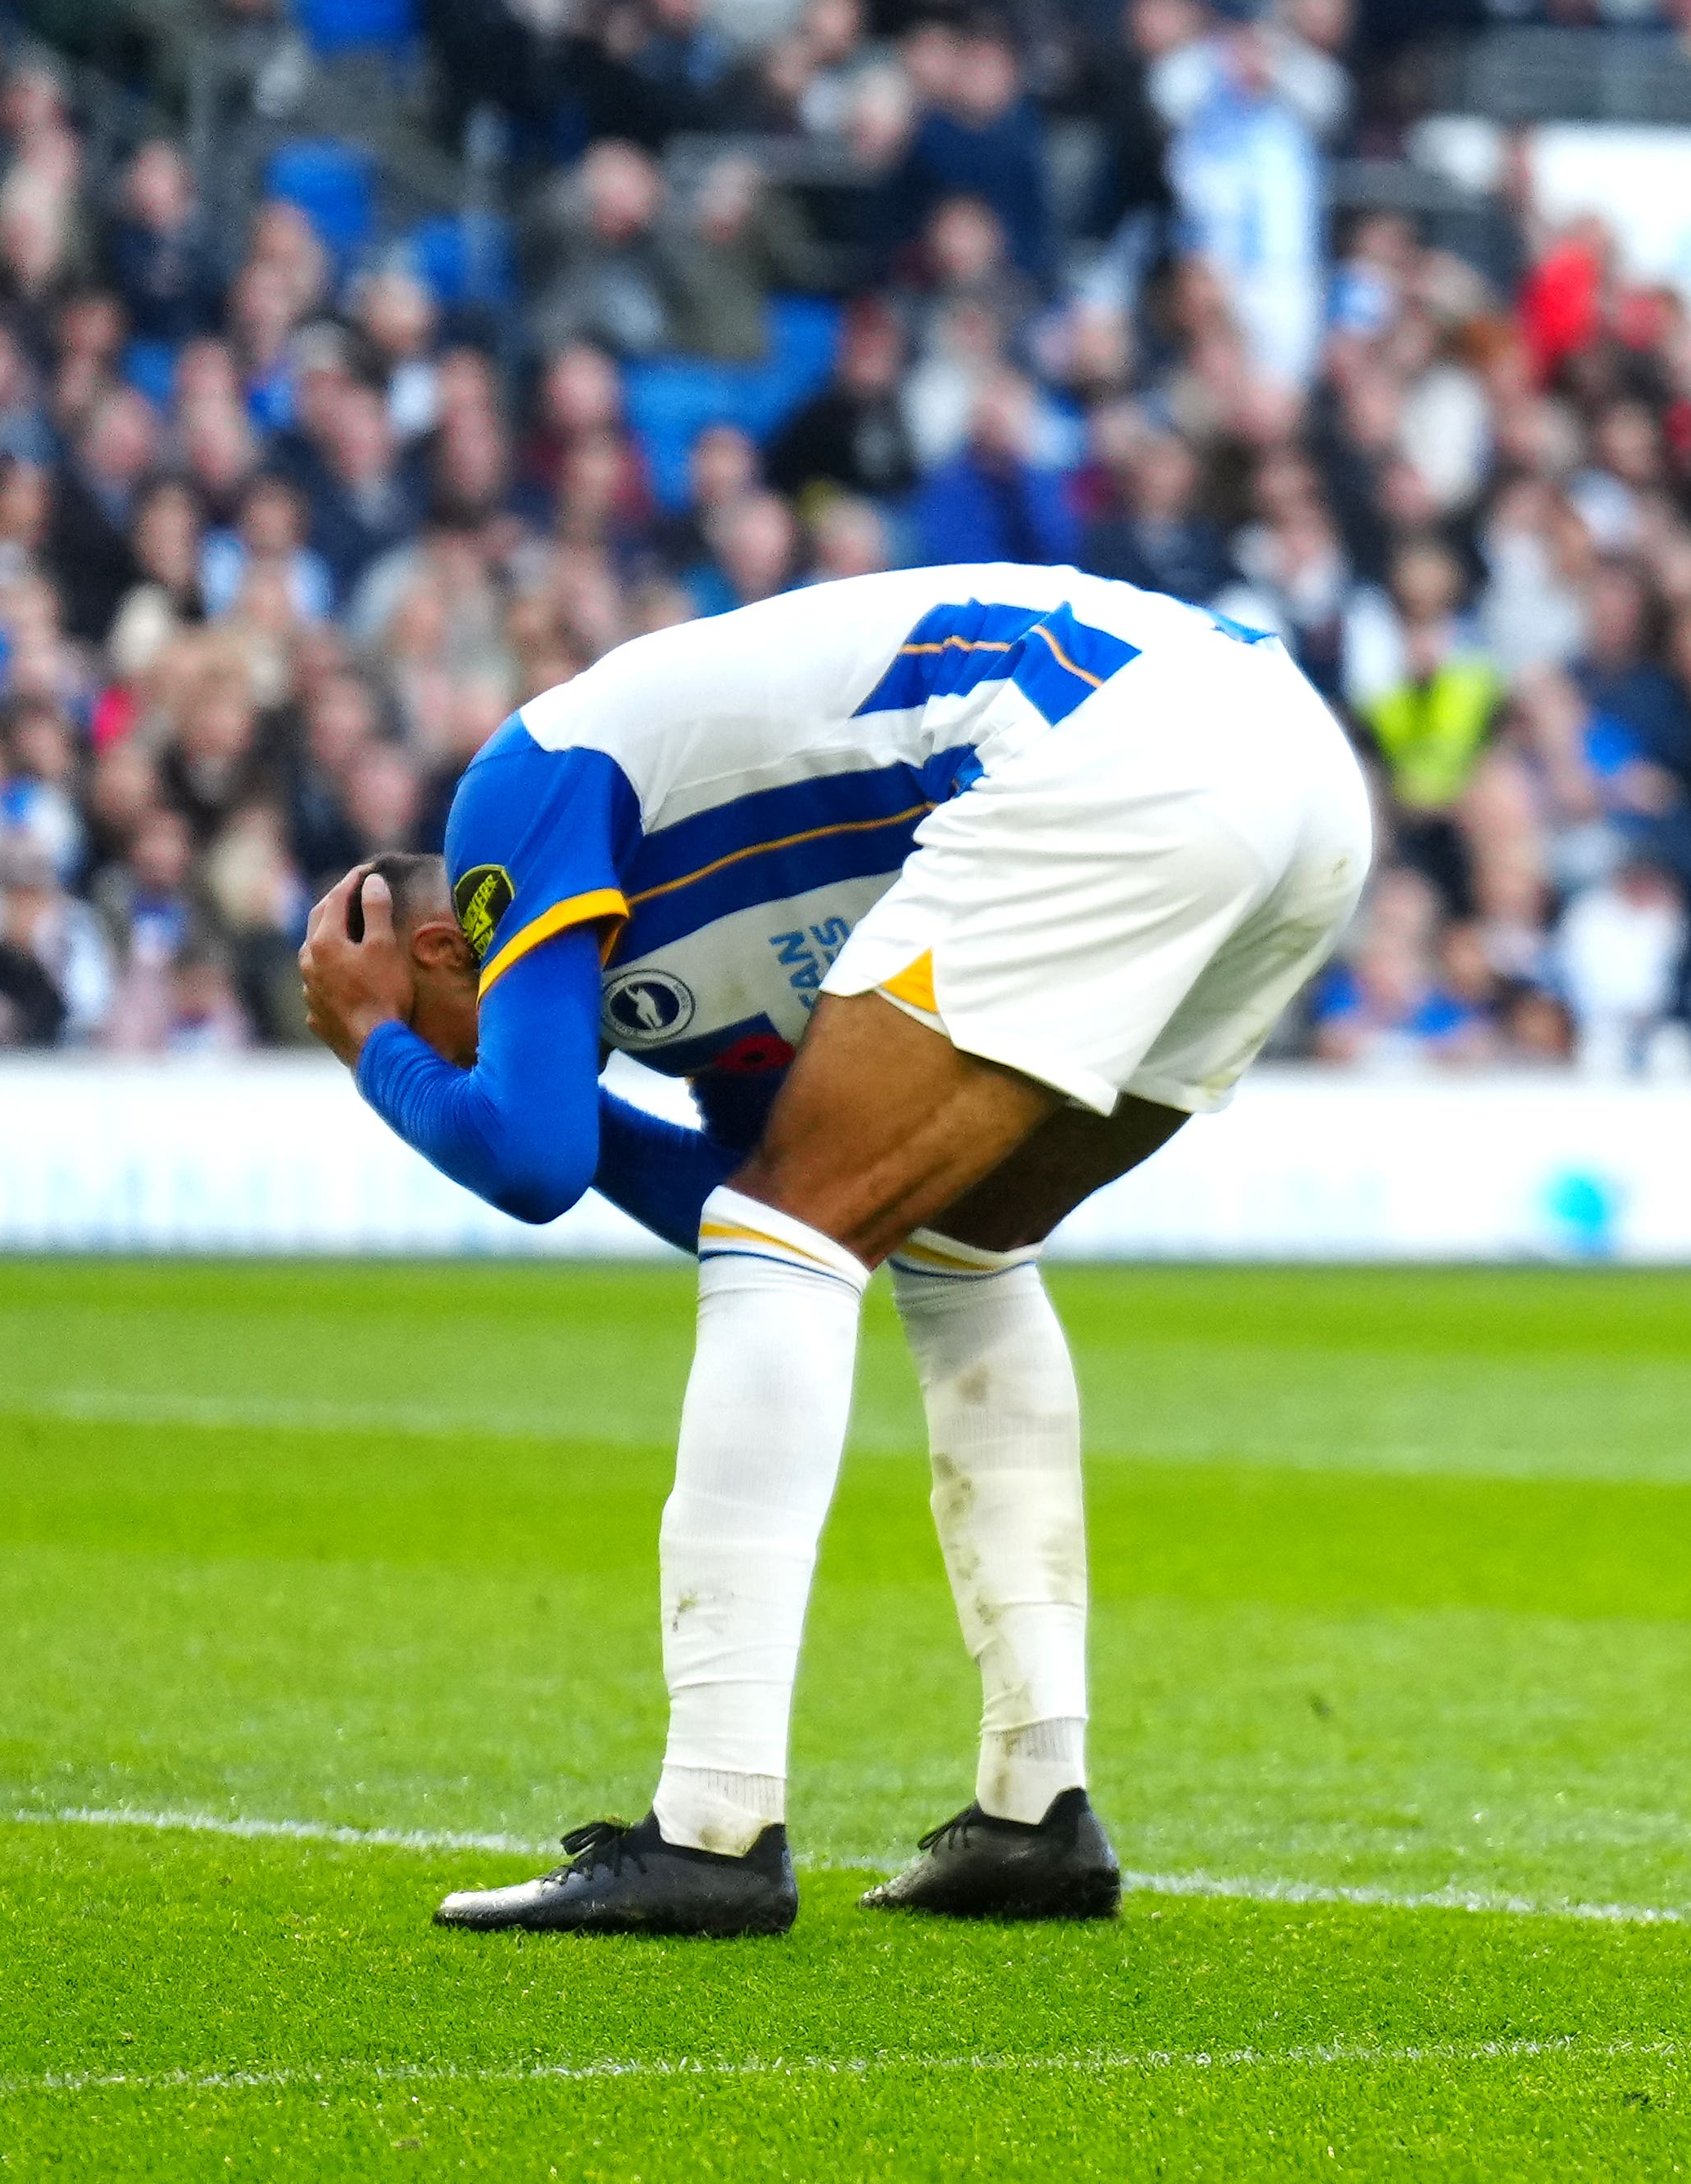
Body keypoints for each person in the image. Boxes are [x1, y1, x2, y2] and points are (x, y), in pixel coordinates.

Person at [293, 564, 1372, 1937]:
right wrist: (723, 1176)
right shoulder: (681, 964)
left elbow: (528, 1153)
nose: (488, 1052)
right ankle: (1038, 1810)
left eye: (443, 1018)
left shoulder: (522, 785)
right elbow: (777, 1207)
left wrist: (371, 1048)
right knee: (943, 1236)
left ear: (448, 943)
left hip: (1122, 742)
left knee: (785, 1223)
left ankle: (710, 1829)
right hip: (1284, 781)